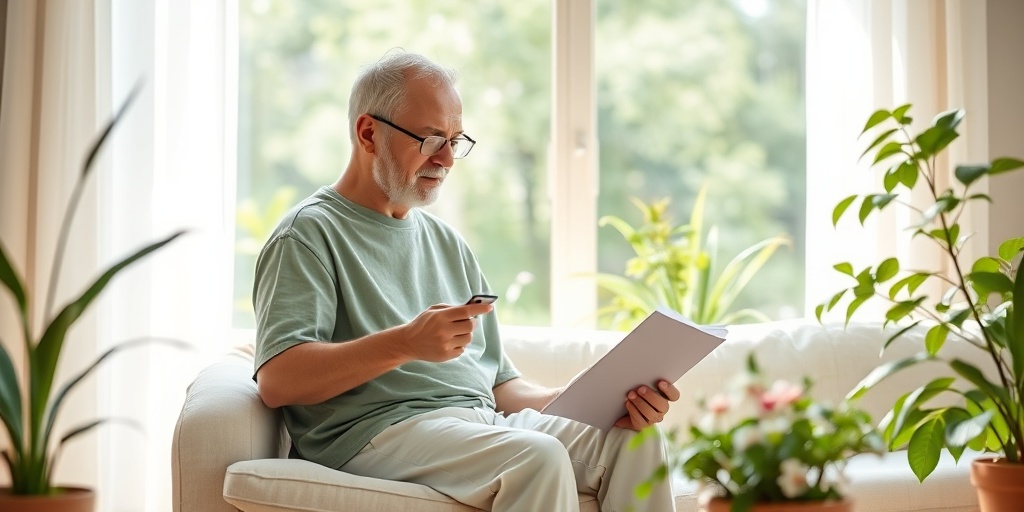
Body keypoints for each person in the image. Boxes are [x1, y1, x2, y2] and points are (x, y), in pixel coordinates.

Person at [252, 50, 679, 512]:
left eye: (456, 140)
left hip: (477, 423)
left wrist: (594, 398)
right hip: (373, 433)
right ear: (368, 132)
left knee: (633, 440)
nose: (448, 159)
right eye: (432, 138)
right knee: (535, 458)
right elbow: (278, 380)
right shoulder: (309, 234)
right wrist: (406, 343)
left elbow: (499, 387)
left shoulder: (446, 242)